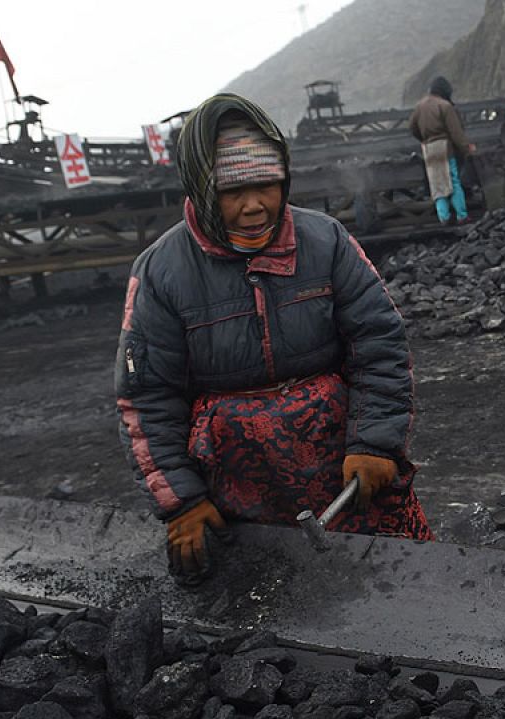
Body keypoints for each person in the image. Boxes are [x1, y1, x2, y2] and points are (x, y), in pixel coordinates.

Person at [116, 94, 433, 585]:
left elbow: (379, 345)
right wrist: (182, 502)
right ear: (200, 186)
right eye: (232, 190)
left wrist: (374, 442)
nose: (254, 206)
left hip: (338, 461)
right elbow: (147, 397)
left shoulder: (325, 241)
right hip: (237, 475)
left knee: (394, 580)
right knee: (265, 591)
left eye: (267, 184)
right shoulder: (161, 271)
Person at [407, 76, 474, 224]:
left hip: (428, 149)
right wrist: (466, 148)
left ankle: (443, 217)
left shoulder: (419, 106)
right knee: (453, 181)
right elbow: (456, 132)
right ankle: (461, 215)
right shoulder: (445, 106)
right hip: (445, 147)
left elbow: (412, 128)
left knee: (437, 183)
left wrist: (424, 139)